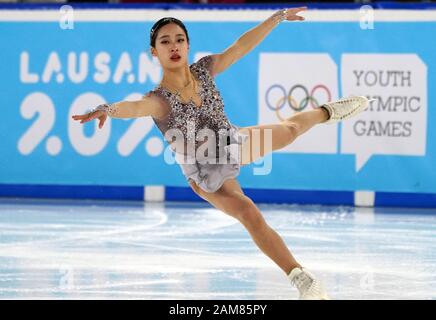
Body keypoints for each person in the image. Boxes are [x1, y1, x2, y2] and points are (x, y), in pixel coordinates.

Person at [72, 7, 370, 300]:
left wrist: (277, 18)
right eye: (164, 41)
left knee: (290, 131)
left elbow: (240, 47)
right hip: (205, 170)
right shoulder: (158, 99)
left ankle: (329, 111)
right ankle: (302, 279)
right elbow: (134, 108)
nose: (173, 46)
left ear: (188, 45)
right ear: (154, 52)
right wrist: (107, 109)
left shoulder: (204, 68)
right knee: (248, 212)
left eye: (179, 39)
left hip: (230, 140)